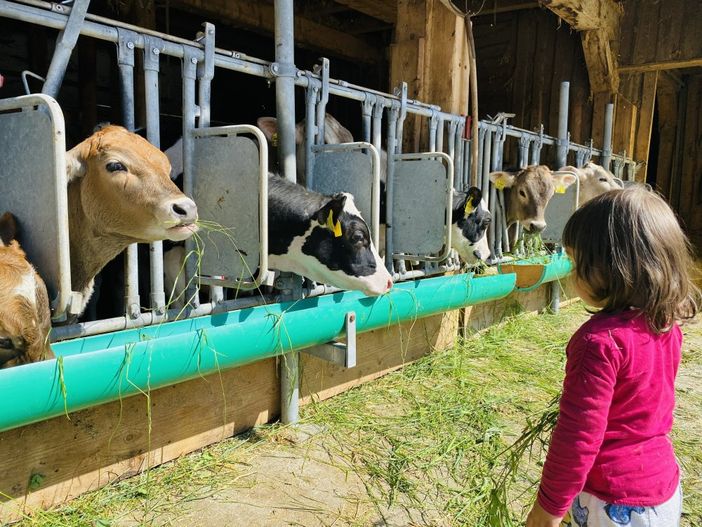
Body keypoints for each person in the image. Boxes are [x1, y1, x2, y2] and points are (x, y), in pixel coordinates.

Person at [526, 187, 699, 527]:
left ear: (609, 268)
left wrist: (546, 512)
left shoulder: (598, 343)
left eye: (576, 263)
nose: (571, 274)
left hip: (613, 504)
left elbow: (577, 440)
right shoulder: (665, 325)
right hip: (663, 492)